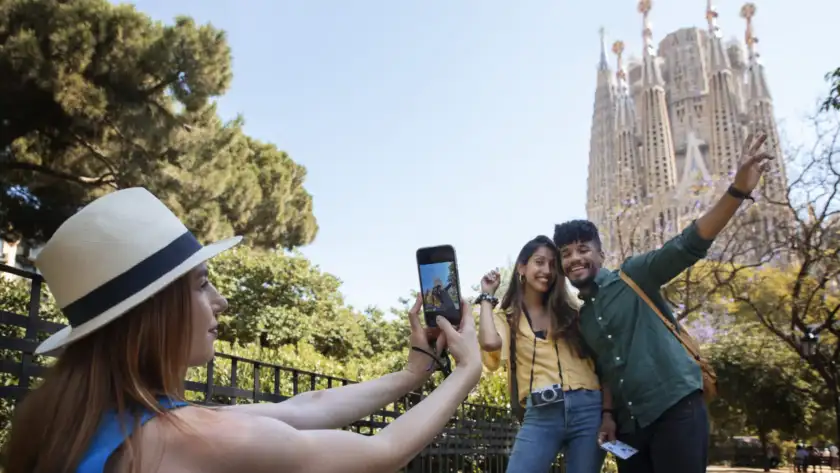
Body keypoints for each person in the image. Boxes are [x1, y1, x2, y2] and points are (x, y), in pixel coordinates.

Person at [2, 187, 482, 473]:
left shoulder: (76, 420)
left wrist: (414, 373)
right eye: (202, 283)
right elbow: (384, 452)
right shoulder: (182, 437)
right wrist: (465, 371)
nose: (221, 301)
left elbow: (301, 408)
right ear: (152, 313)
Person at [552, 132, 775, 473]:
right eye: (566, 254)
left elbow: (688, 244)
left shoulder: (633, 275)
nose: (574, 259)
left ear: (601, 252)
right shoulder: (584, 319)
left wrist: (737, 191)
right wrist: (609, 416)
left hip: (676, 407)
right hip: (630, 427)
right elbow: (607, 372)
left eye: (583, 249)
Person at [476, 236, 607, 473]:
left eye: (552, 265)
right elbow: (488, 342)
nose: (546, 270)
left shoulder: (573, 313)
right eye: (539, 262)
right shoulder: (507, 317)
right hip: (541, 412)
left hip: (589, 408)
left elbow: (604, 359)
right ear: (522, 268)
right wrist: (486, 297)